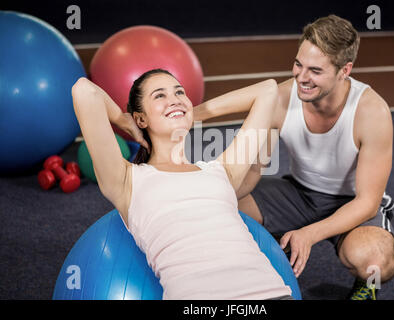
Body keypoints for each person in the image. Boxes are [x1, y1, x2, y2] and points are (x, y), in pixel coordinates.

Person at [194, 15, 394, 300]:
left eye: (315, 70)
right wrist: (213, 201)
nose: (301, 77)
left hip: (352, 202)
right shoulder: (280, 99)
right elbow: (253, 172)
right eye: (298, 64)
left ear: (345, 70)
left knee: (375, 262)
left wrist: (310, 234)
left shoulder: (371, 112)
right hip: (298, 193)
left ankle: (368, 287)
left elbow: (367, 202)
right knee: (222, 206)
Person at [71, 69, 294, 300]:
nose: (174, 99)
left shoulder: (223, 170)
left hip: (270, 294)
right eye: (159, 96)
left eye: (179, 92)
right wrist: (122, 120)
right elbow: (84, 91)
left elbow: (268, 90)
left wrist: (191, 112)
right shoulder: (126, 180)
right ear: (141, 118)